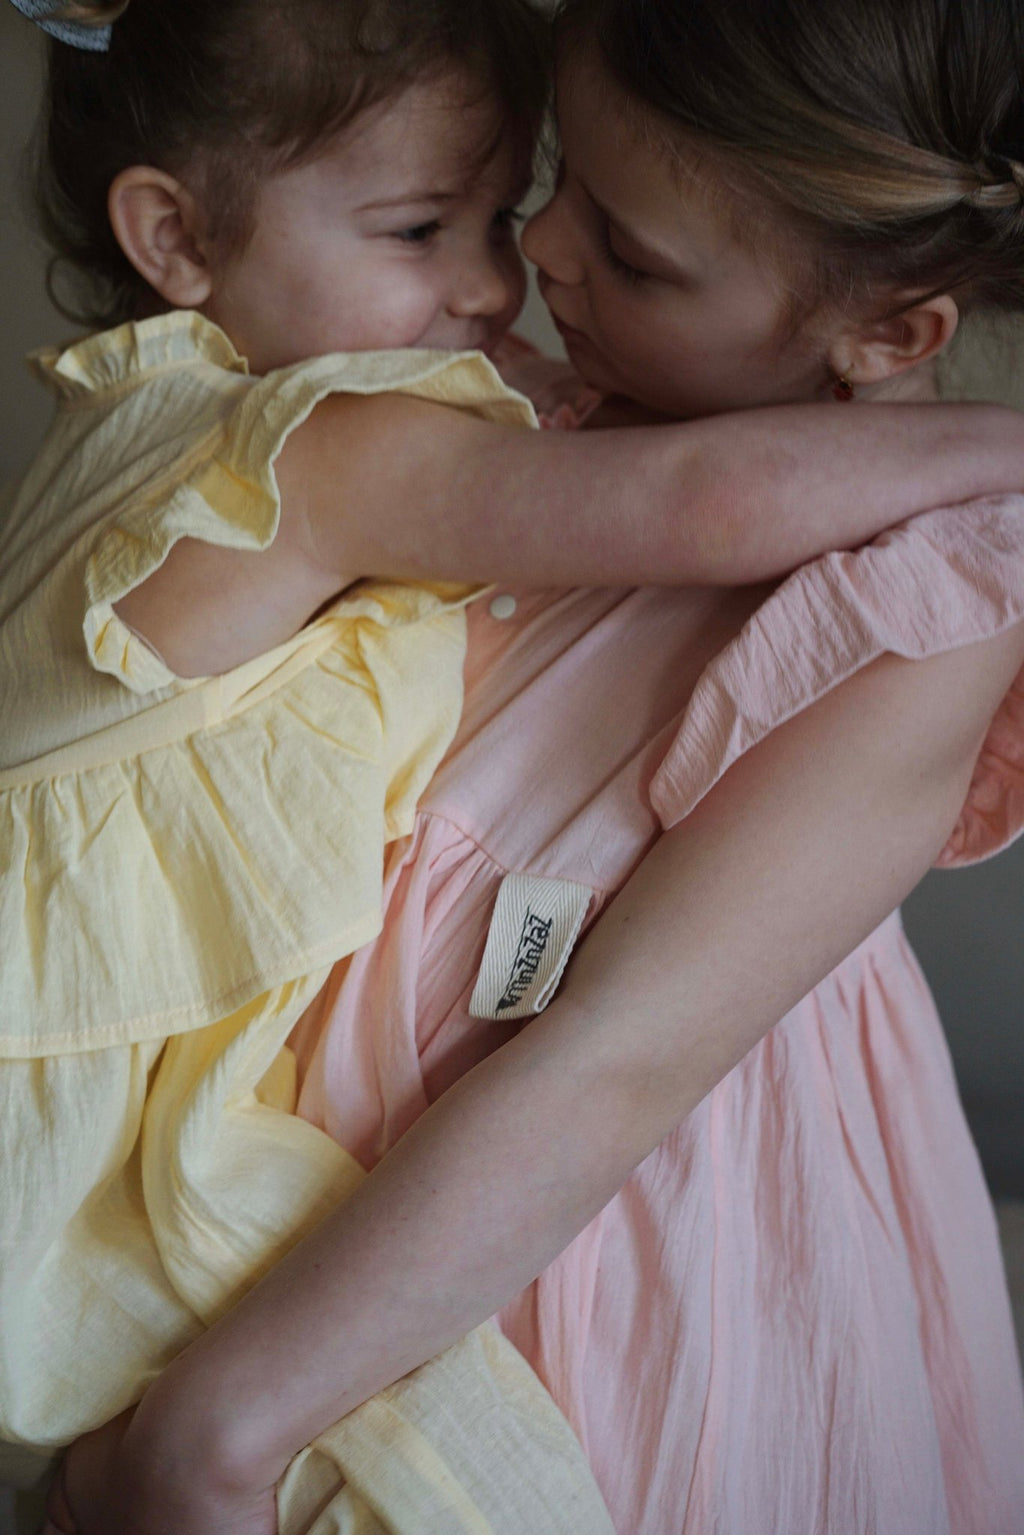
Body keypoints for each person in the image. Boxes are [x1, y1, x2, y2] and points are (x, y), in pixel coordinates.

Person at [4, 1, 1024, 1533]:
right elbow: (687, 499)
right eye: (554, 187)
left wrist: (215, 1430)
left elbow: (614, 1063)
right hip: (263, 1223)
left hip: (549, 1265)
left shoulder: (924, 605)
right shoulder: (458, 426)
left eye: (625, 245)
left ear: (889, 334)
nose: (531, 264)